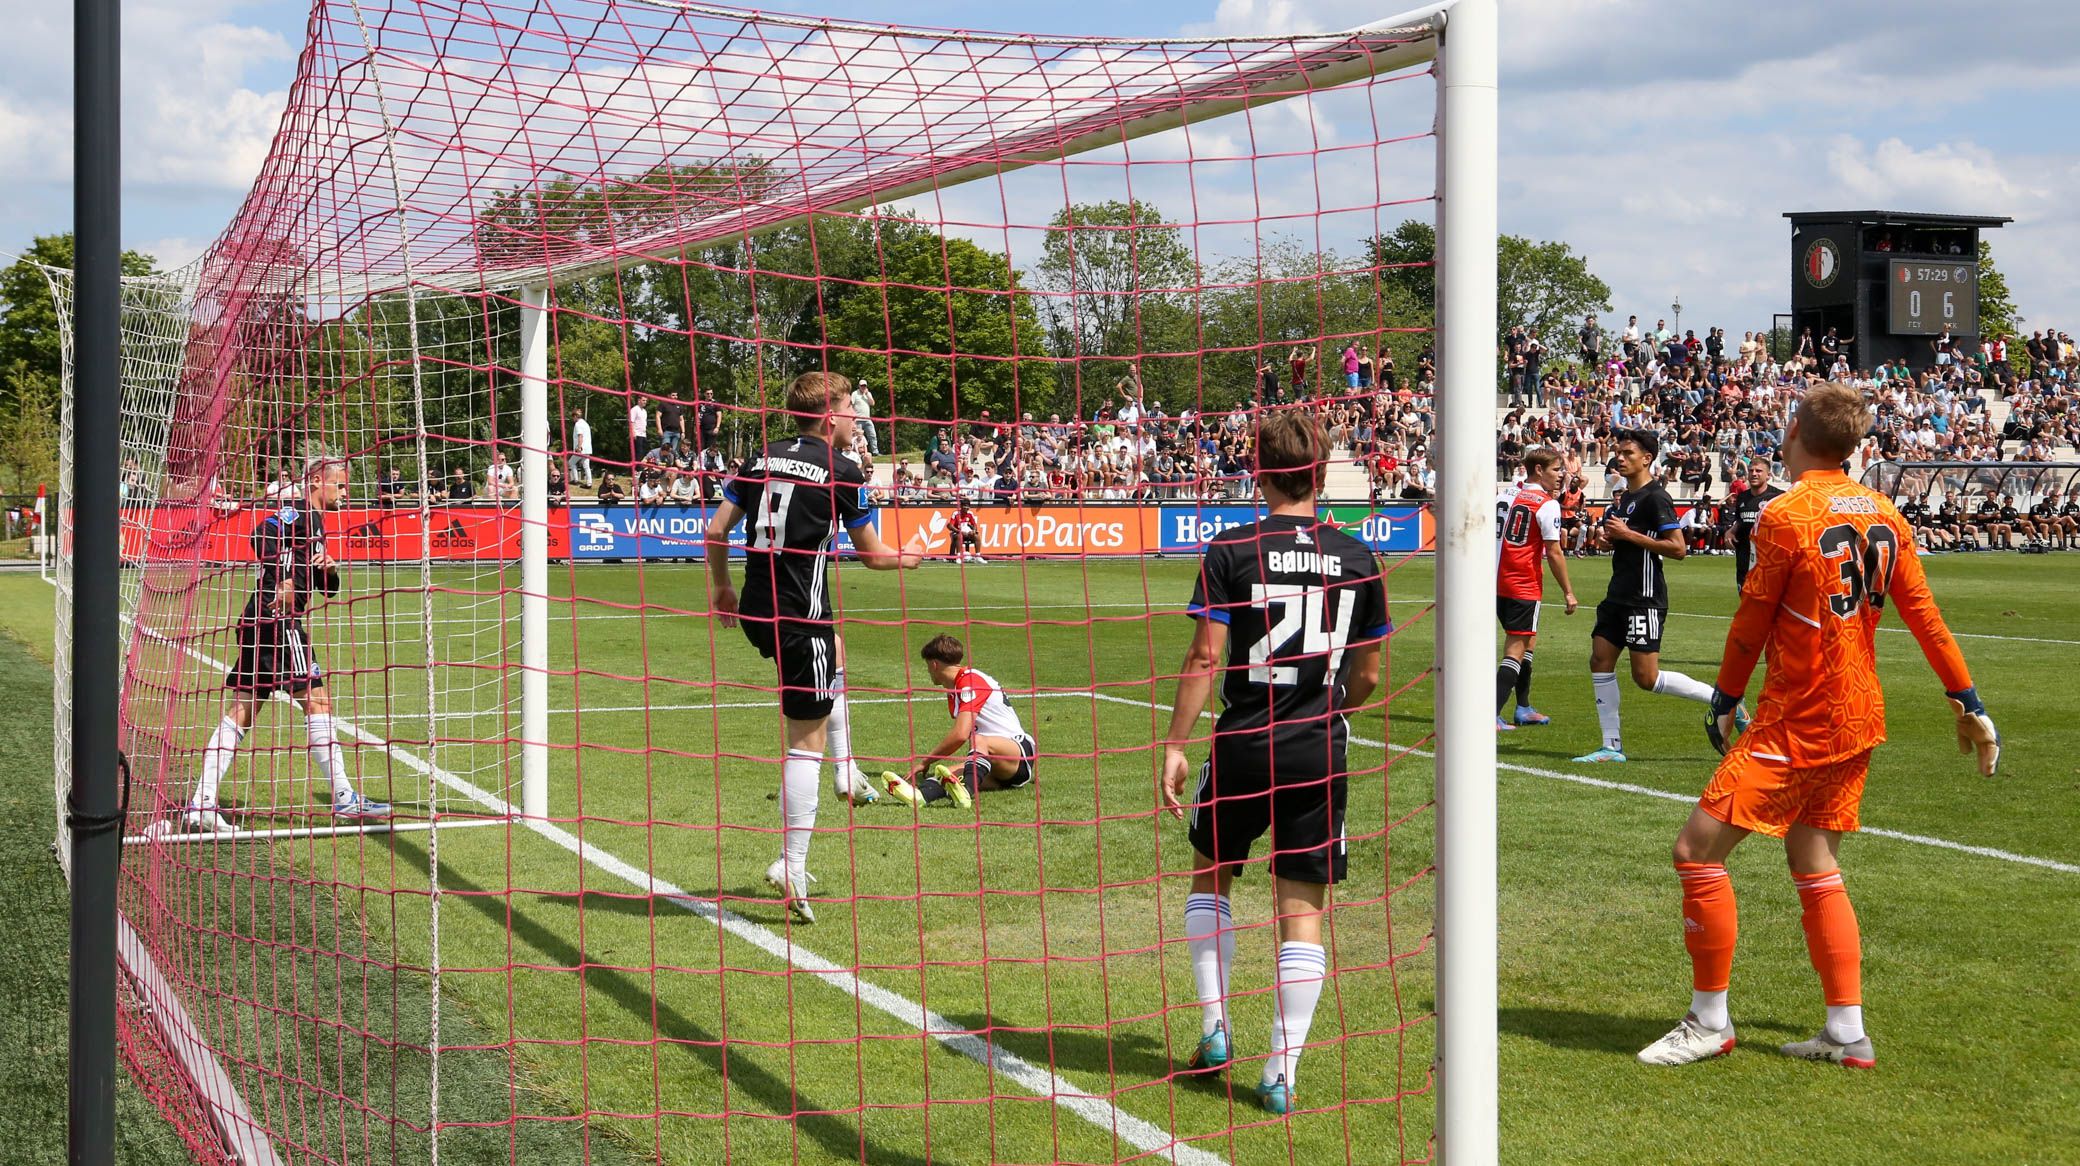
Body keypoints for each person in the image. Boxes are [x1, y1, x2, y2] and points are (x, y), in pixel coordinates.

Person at [1637, 381, 2000, 1069]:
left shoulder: (1786, 514)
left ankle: (1709, 1020)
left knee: (1696, 852)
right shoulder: (1885, 512)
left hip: (1799, 712)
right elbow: (1925, 617)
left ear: (1799, 430)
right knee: (1814, 861)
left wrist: (1724, 698)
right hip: (1859, 713)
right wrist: (1969, 699)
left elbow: (1752, 620)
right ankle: (1845, 1031)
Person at [1157, 409, 1389, 1116]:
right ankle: (1281, 1071)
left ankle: (1215, 1027)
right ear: (1322, 472)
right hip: (1317, 747)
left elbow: (1205, 655)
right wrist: (1328, 707)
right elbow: (1371, 677)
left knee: (1212, 874)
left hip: (1243, 744)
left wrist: (1173, 742)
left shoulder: (1232, 548)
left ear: (1257, 470)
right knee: (1302, 910)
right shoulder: (1357, 557)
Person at [705, 371, 929, 923]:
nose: (858, 418)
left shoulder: (760, 459)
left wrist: (722, 587)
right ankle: (792, 861)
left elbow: (715, 532)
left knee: (837, 659)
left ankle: (845, 766)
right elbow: (875, 557)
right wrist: (914, 554)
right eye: (852, 408)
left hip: (758, 609)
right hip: (801, 617)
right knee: (804, 742)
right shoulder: (844, 473)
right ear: (831, 415)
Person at [178, 455, 391, 833]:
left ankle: (201, 803)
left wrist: (328, 569)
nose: (345, 492)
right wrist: (286, 579)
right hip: (277, 620)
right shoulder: (296, 512)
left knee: (243, 710)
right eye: (339, 485)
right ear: (315, 483)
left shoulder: (317, 524)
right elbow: (261, 536)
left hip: (257, 620)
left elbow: (326, 589)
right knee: (318, 700)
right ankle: (344, 799)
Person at [1574, 429, 1728, 764]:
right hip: (1618, 592)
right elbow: (1629, 539)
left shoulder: (1655, 497)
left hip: (1644, 597)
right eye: (1618, 452)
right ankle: (1611, 746)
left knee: (1646, 678)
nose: (1620, 457)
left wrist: (1628, 534)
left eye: (1628, 453)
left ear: (1647, 458)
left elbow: (1678, 548)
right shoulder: (1626, 497)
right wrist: (1611, 542)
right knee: (1599, 659)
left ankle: (1720, 699)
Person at [881, 633, 1036, 809]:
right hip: (996, 766)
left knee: (978, 741)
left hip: (1019, 753)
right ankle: (920, 796)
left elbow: (961, 734)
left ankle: (967, 790)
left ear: (934, 664)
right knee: (945, 776)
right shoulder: (955, 688)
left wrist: (925, 761)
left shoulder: (969, 681)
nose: (928, 671)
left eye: (927, 666)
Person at [1496, 448, 1578, 731]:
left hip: (1495, 580)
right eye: (1556, 470)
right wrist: (1568, 591)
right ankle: (1491, 713)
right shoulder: (1546, 503)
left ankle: (1523, 707)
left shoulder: (1506, 494)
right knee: (1516, 648)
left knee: (1528, 641)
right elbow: (1553, 551)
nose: (1561, 476)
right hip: (1522, 583)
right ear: (1539, 470)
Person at [1729, 461, 1783, 589]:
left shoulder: (1779, 497)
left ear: (1768, 475)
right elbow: (1741, 520)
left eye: (1758, 471)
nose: (1754, 474)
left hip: (1769, 561)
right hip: (1744, 559)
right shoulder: (1742, 497)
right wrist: (1731, 531)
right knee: (1744, 600)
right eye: (1751, 471)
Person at [948, 500, 984, 564]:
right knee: (960, 536)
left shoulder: (970, 513)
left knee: (976, 536)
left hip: (967, 533)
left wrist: (973, 531)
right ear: (961, 506)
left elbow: (974, 525)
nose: (966, 508)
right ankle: (958, 557)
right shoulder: (956, 513)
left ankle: (978, 556)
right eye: (964, 506)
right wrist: (959, 531)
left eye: (968, 506)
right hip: (956, 532)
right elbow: (950, 526)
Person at [851, 379, 879, 457]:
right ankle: (856, 452)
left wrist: (867, 395)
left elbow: (872, 403)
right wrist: (852, 418)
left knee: (872, 435)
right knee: (856, 437)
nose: (863, 387)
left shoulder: (868, 394)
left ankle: (875, 451)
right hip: (858, 419)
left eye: (864, 386)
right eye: (862, 386)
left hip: (867, 419)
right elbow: (851, 405)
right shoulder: (855, 394)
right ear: (859, 386)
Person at [570, 411, 594, 486]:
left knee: (571, 462)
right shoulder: (585, 423)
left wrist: (579, 447)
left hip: (581, 448)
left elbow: (580, 436)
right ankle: (589, 483)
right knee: (586, 465)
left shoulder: (578, 424)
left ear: (575, 416)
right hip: (587, 448)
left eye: (573, 417)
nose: (573, 419)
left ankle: (575, 479)